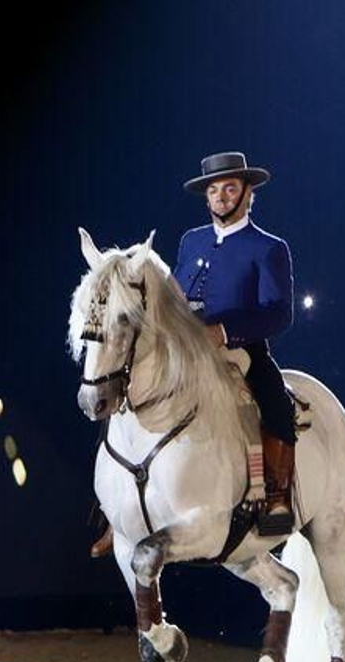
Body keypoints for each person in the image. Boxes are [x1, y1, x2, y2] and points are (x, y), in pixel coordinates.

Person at [91, 150, 297, 556]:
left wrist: (225, 331)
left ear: (247, 193)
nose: (221, 197)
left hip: (239, 350)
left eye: (230, 189)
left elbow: (279, 313)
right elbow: (177, 298)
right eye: (214, 191)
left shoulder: (269, 248)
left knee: (276, 404)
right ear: (207, 198)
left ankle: (275, 495)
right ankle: (115, 514)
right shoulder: (192, 240)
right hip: (185, 352)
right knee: (121, 396)